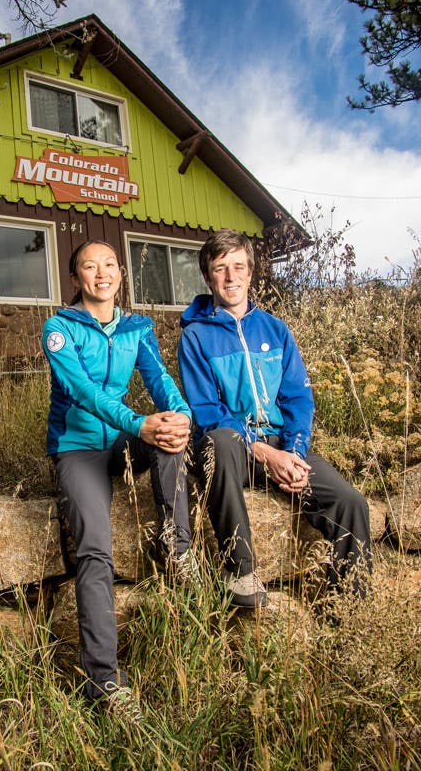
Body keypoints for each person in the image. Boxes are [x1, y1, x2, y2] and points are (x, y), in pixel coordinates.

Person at [42, 238, 196, 720]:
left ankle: (176, 544)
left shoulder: (137, 328)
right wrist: (139, 423)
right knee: (95, 551)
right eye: (90, 266)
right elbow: (82, 391)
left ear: (120, 274)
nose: (101, 273)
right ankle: (104, 682)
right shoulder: (59, 329)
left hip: (124, 440)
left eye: (109, 264)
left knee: (169, 432)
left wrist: (182, 416)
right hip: (79, 449)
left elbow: (161, 382)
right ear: (76, 279)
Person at [178, 229, 372, 608]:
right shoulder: (195, 336)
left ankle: (349, 609)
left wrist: (294, 453)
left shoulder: (276, 330)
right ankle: (240, 571)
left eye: (238, 267)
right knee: (220, 439)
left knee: (352, 503)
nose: (231, 277)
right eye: (220, 269)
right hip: (234, 453)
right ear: (208, 277)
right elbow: (207, 413)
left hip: (284, 447)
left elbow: (298, 398)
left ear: (250, 273)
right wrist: (266, 454)